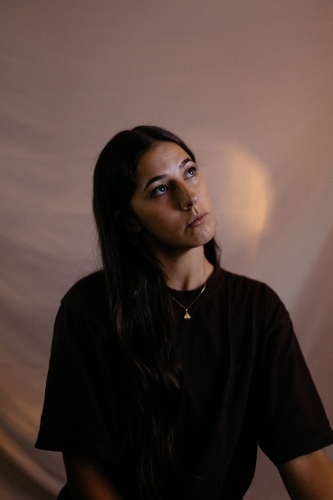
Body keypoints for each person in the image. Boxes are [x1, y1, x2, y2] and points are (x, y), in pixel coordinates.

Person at [36, 126, 333, 499]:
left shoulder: (258, 309)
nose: (189, 197)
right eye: (160, 188)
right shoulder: (90, 309)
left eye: (189, 171)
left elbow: (303, 456)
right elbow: (86, 469)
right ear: (129, 221)